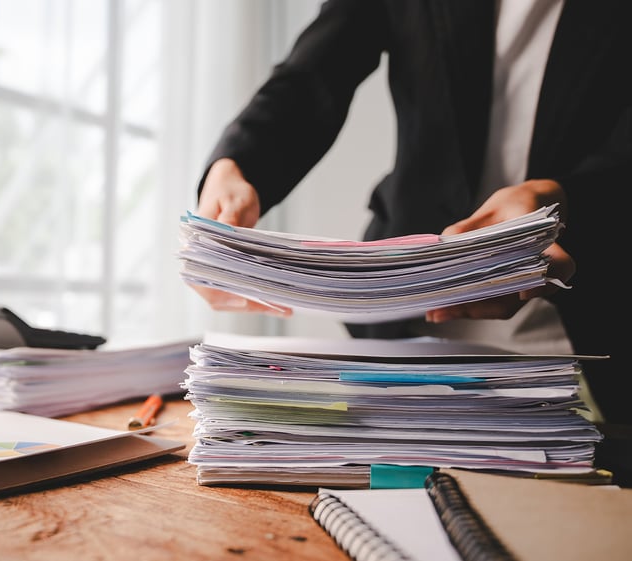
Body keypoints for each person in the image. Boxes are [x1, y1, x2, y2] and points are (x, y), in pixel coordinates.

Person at [192, 0, 632, 424]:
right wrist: (234, 165)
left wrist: (563, 199)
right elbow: (313, 75)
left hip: (585, 340)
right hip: (401, 332)